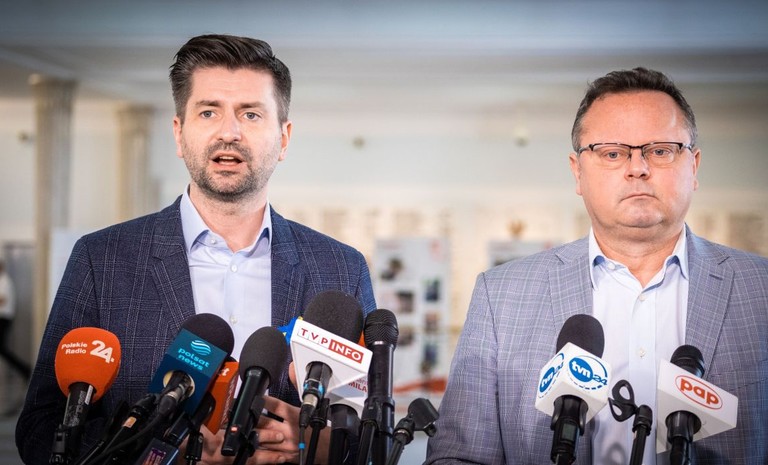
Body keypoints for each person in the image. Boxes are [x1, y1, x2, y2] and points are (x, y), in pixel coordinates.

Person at [16, 34, 376, 464]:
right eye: (208, 112)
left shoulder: (341, 268)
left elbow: (372, 433)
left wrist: (323, 445)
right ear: (179, 133)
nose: (229, 132)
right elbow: (41, 429)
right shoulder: (102, 259)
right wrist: (152, 446)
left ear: (283, 139)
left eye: (251, 114)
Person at [425, 67, 768, 464]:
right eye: (612, 153)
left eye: (660, 151)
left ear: (694, 166)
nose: (637, 168)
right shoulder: (500, 296)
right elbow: (459, 455)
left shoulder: (760, 289)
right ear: (578, 172)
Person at [0, 258, 31, 385]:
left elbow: (3, 300)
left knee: (2, 349)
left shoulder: (5, 281)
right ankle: (24, 370)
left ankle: (25, 370)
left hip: (3, 318)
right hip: (3, 318)